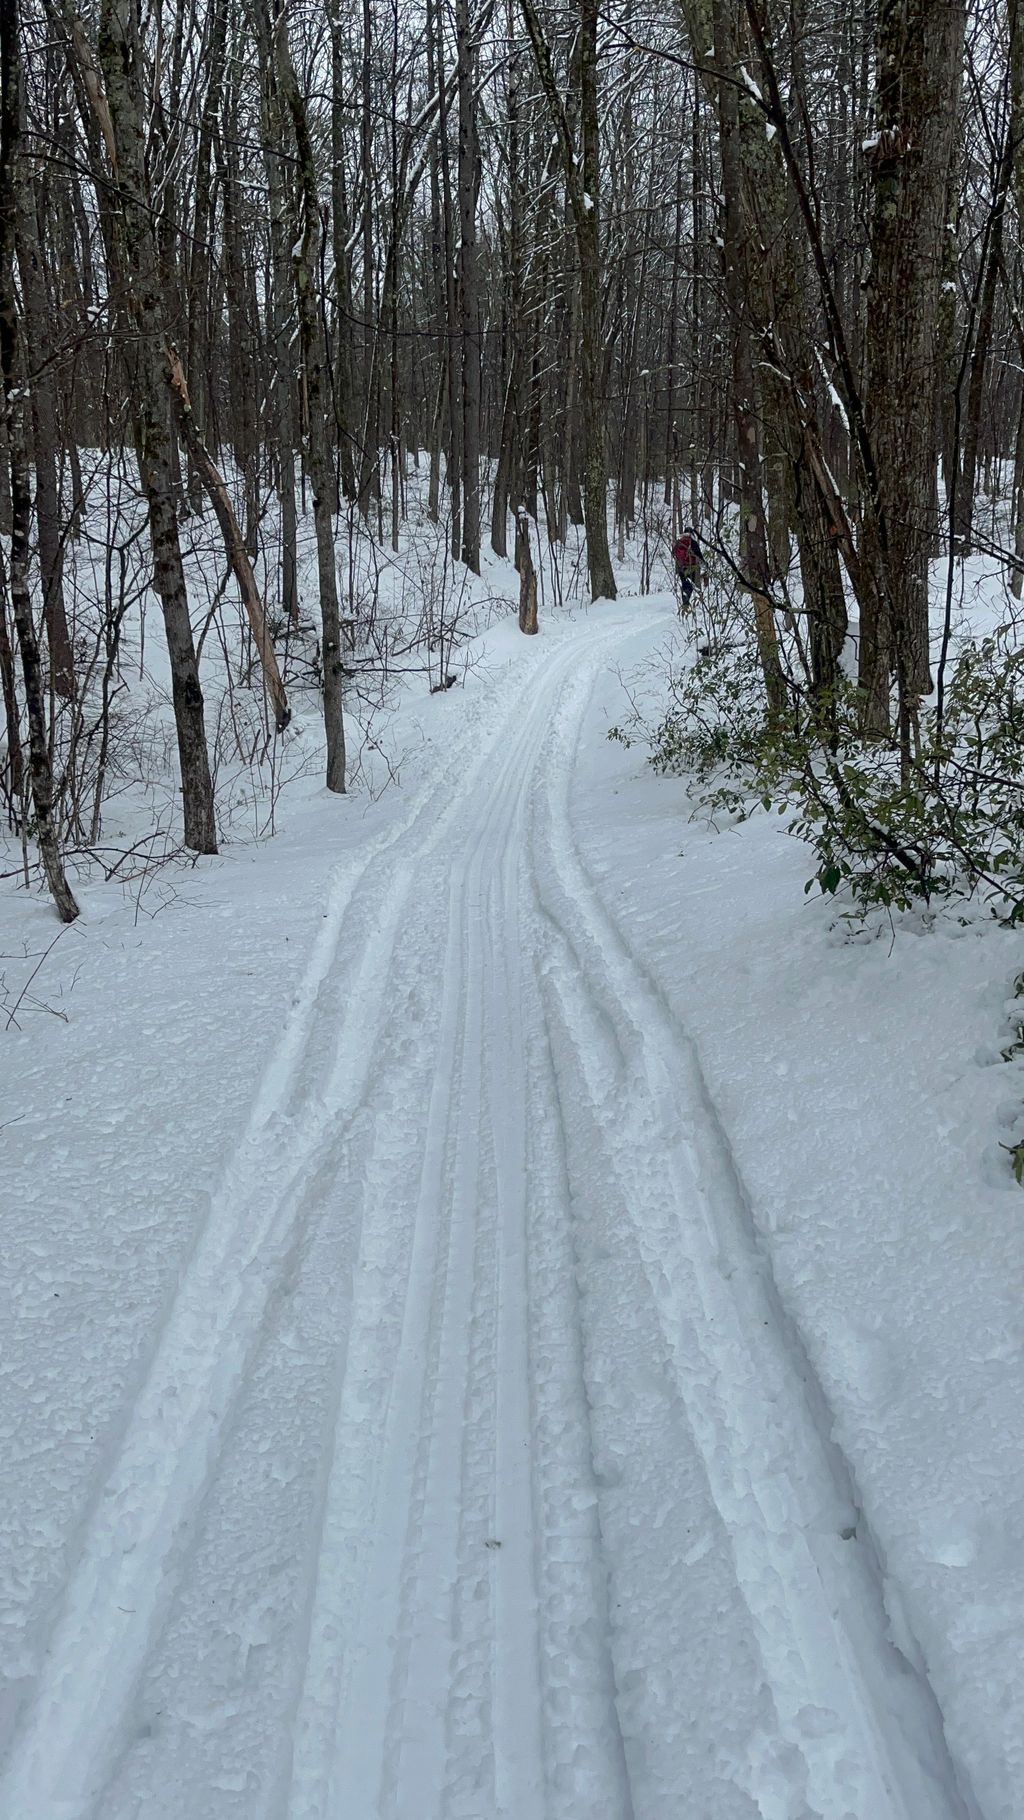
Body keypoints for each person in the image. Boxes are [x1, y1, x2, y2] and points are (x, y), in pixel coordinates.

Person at [671, 527, 703, 607]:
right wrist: (704, 562)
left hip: (681, 566)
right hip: (691, 566)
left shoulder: (679, 542)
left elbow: (673, 553)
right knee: (690, 584)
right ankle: (686, 601)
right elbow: (698, 554)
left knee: (684, 583)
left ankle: (685, 601)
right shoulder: (693, 542)